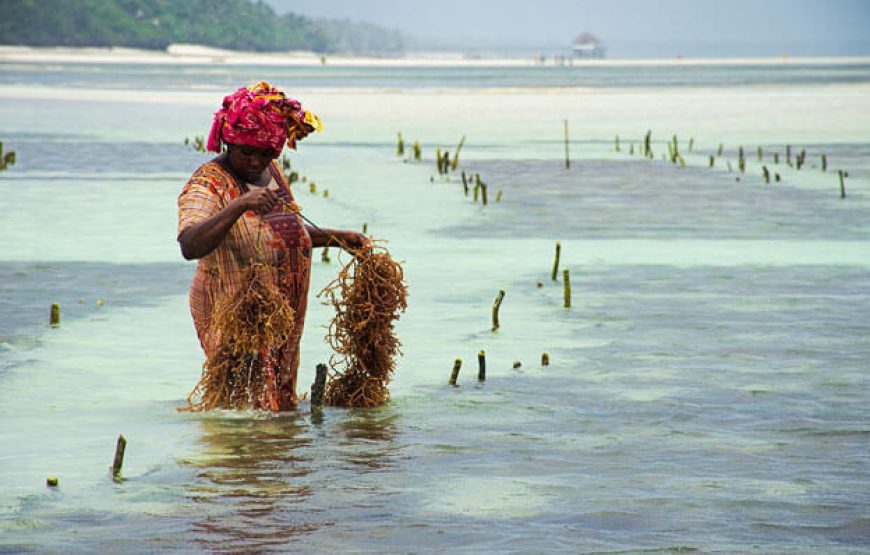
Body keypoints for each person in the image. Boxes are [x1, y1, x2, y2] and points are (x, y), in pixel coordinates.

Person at [177, 81, 366, 411]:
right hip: (236, 311)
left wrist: (336, 238)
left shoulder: (273, 173)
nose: (255, 161)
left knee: (275, 405)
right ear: (228, 141)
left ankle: (270, 458)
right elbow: (190, 244)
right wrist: (239, 204)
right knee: (239, 404)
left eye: (266, 153)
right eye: (246, 152)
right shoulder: (207, 183)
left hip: (281, 315)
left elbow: (277, 233)